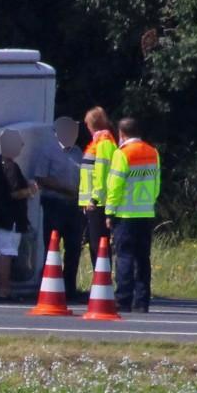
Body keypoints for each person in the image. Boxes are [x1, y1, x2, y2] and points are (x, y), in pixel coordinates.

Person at [106, 117, 161, 312]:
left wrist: (109, 212)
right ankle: (142, 301)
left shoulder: (122, 154)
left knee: (125, 257)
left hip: (126, 215)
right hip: (146, 213)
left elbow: (115, 186)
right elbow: (156, 185)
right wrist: (148, 203)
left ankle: (123, 299)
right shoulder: (152, 152)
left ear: (121, 134)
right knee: (143, 258)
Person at [33, 116, 83, 298]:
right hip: (54, 203)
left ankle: (69, 287)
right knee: (52, 246)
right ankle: (49, 285)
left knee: (74, 246)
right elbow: (40, 177)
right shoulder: (48, 151)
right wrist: (64, 188)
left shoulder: (78, 152)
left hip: (74, 205)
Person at [0, 129, 38, 300]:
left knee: (3, 250)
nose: (21, 146)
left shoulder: (3, 163)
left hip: (3, 215)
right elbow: (15, 192)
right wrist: (30, 190)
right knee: (6, 251)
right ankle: (4, 288)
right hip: (10, 216)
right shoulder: (7, 166)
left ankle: (2, 287)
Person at [79, 106, 117, 272]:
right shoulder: (100, 142)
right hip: (94, 203)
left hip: (98, 204)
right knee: (96, 244)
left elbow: (102, 176)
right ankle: (100, 283)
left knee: (98, 245)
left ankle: (102, 283)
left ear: (91, 124)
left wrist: (94, 198)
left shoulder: (103, 144)